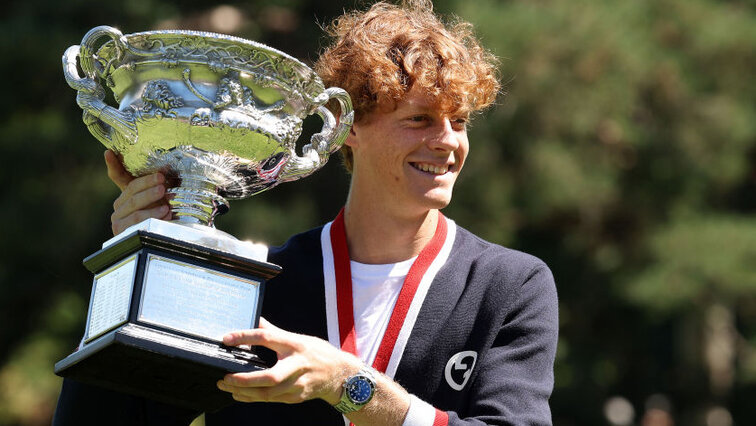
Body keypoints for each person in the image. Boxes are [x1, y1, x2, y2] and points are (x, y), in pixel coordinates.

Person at [54, 1, 558, 425]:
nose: (447, 142)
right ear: (349, 129)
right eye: (420, 119)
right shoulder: (253, 287)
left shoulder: (509, 287)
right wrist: (135, 266)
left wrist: (349, 383)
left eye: (460, 121)